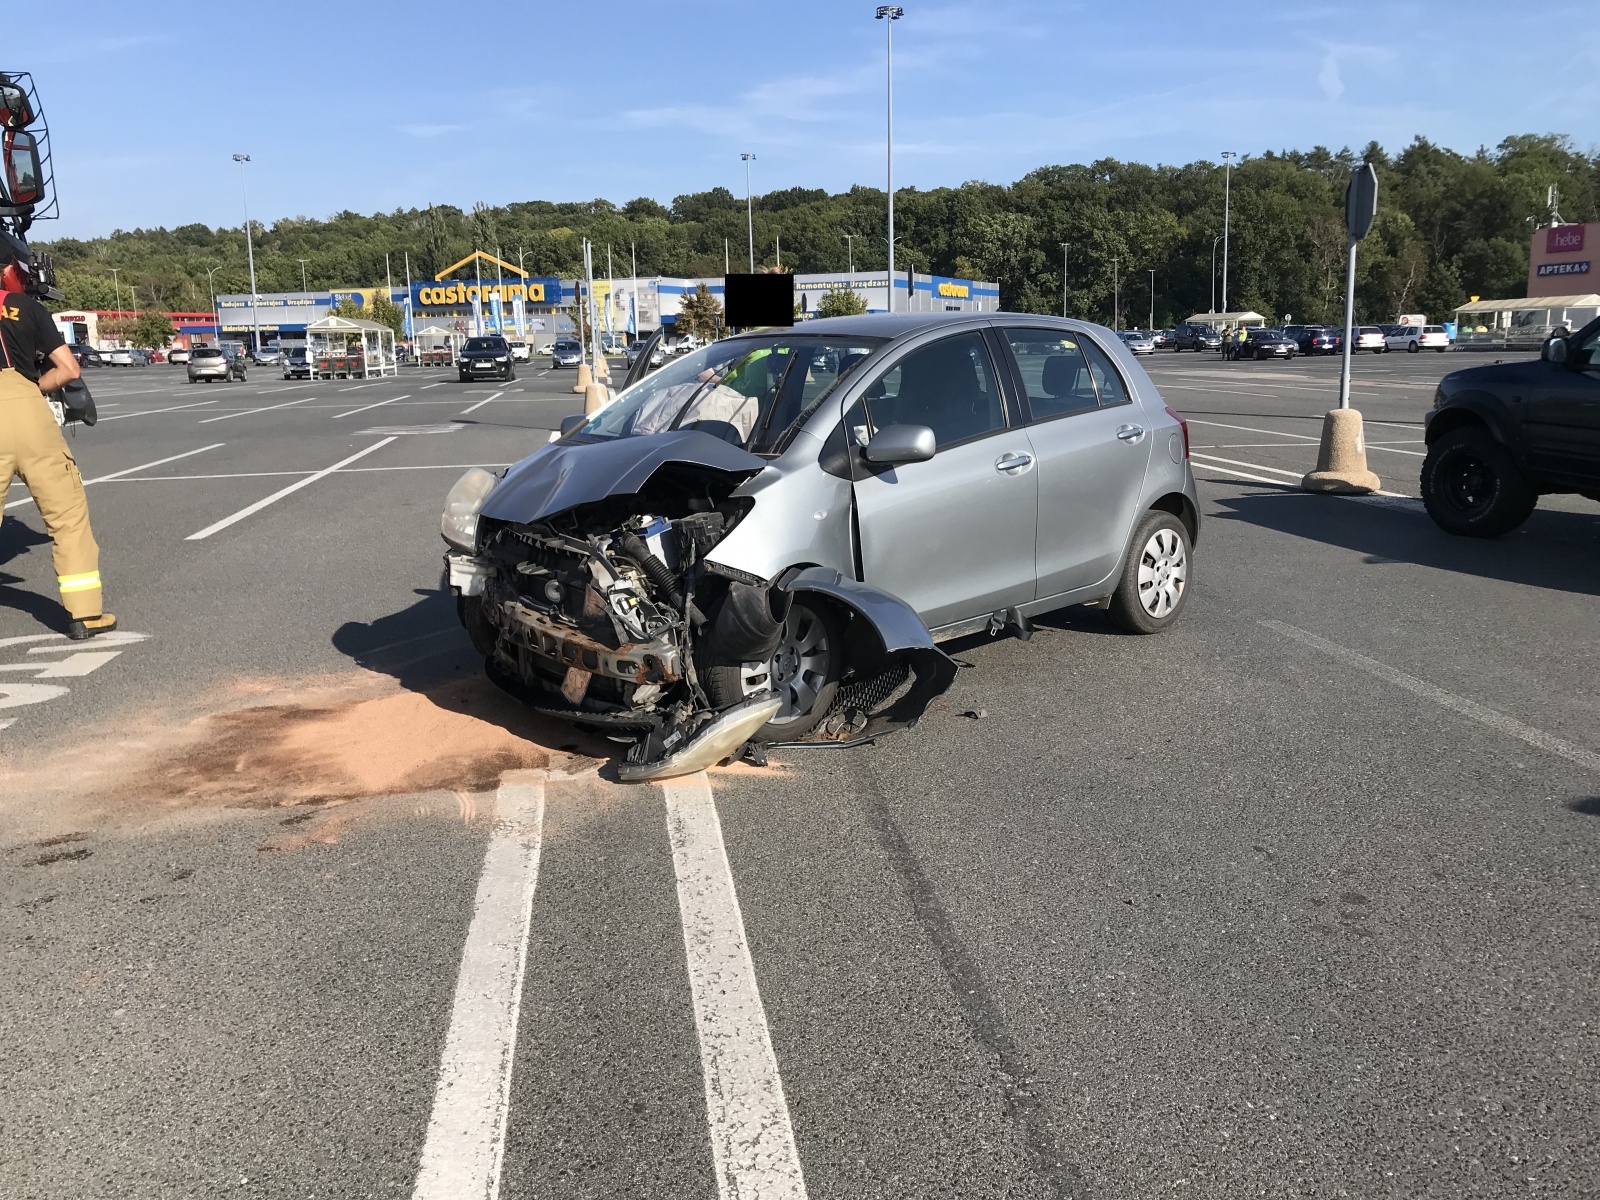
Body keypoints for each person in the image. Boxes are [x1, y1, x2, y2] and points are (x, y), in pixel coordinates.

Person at [0, 245, 117, 640]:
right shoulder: (28, 309)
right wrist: (36, 387)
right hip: (28, 409)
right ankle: (84, 615)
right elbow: (68, 369)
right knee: (67, 519)